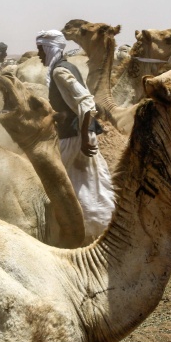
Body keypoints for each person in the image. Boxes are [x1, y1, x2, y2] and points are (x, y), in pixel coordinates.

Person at [37, 29, 115, 239]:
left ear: (49, 48)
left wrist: (82, 136)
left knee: (72, 187)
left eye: (40, 50)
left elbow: (87, 102)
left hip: (74, 138)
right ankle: (98, 233)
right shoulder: (66, 66)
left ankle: (87, 234)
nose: (38, 55)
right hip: (75, 135)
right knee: (89, 186)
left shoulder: (59, 72)